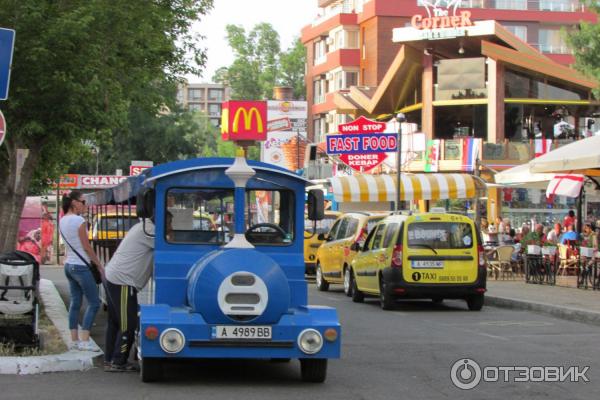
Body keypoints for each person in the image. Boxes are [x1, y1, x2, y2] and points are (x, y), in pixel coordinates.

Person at [103, 212, 173, 372]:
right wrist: (170, 233)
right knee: (129, 323)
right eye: (169, 222)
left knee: (115, 322)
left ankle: (110, 359)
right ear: (162, 221)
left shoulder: (144, 227)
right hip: (123, 281)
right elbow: (168, 244)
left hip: (115, 277)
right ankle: (118, 361)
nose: (171, 226)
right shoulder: (149, 231)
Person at [60, 191, 104, 351]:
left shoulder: (62, 220)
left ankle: (74, 340)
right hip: (80, 266)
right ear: (74, 203)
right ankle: (85, 340)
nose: (85, 205)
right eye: (83, 202)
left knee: (75, 302)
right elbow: (86, 246)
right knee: (94, 302)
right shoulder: (79, 220)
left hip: (68, 266)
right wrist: (99, 264)